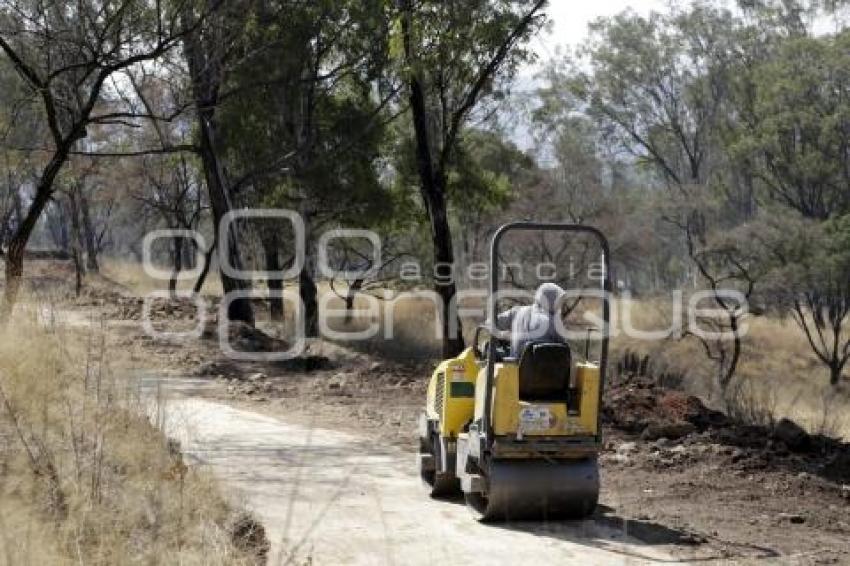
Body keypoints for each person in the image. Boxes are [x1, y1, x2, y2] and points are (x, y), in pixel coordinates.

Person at [495, 283, 566, 359]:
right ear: (551, 299)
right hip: (544, 368)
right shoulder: (553, 322)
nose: (560, 306)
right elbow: (564, 349)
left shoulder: (517, 311)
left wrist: (502, 335)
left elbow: (491, 322)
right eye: (558, 301)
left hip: (515, 365)